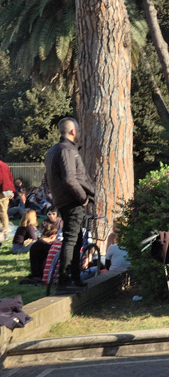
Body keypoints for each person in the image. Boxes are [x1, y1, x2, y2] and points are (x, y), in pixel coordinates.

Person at [44, 117, 95, 294]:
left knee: (76, 239)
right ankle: (65, 281)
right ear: (73, 131)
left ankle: (74, 277)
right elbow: (69, 179)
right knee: (71, 239)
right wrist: (82, 198)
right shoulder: (67, 150)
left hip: (62, 200)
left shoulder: (53, 150)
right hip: (71, 201)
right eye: (78, 130)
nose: (79, 133)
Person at [0, 159, 13, 240]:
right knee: (4, 211)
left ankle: (4, 232)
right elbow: (10, 177)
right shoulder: (4, 164)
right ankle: (5, 230)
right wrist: (12, 191)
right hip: (8, 189)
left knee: (2, 212)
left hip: (2, 189)